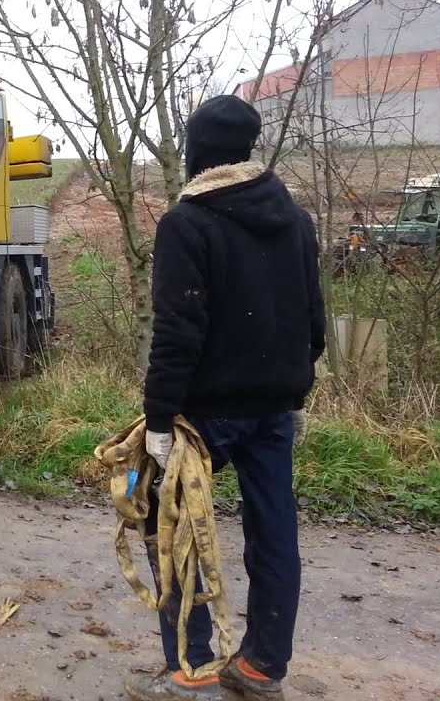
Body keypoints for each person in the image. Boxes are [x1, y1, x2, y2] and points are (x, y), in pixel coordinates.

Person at [129, 95, 325, 700]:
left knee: (171, 530)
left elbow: (178, 332)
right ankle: (263, 667)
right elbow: (314, 325)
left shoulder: (186, 223)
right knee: (274, 535)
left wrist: (159, 419)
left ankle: (189, 669)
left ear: (197, 150)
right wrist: (283, 382)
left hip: (203, 417)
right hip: (274, 411)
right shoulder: (295, 220)